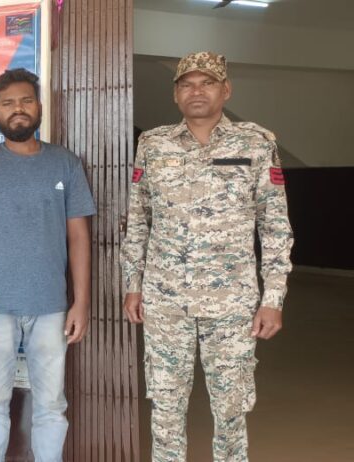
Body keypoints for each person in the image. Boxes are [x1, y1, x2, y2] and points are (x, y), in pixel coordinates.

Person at [121, 51, 293, 462]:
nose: (196, 91)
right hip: (165, 301)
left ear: (225, 90)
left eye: (207, 83)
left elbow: (274, 226)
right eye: (187, 84)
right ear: (175, 94)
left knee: (231, 408)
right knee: (165, 406)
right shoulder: (153, 144)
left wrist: (273, 298)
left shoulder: (256, 143)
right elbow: (138, 220)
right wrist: (133, 285)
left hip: (231, 304)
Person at [0, 68, 94, 462]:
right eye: (8, 103)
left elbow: (79, 237)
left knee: (51, 403)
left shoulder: (65, 164)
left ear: (39, 107)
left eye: (26, 101)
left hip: (50, 306)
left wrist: (80, 302)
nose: (18, 109)